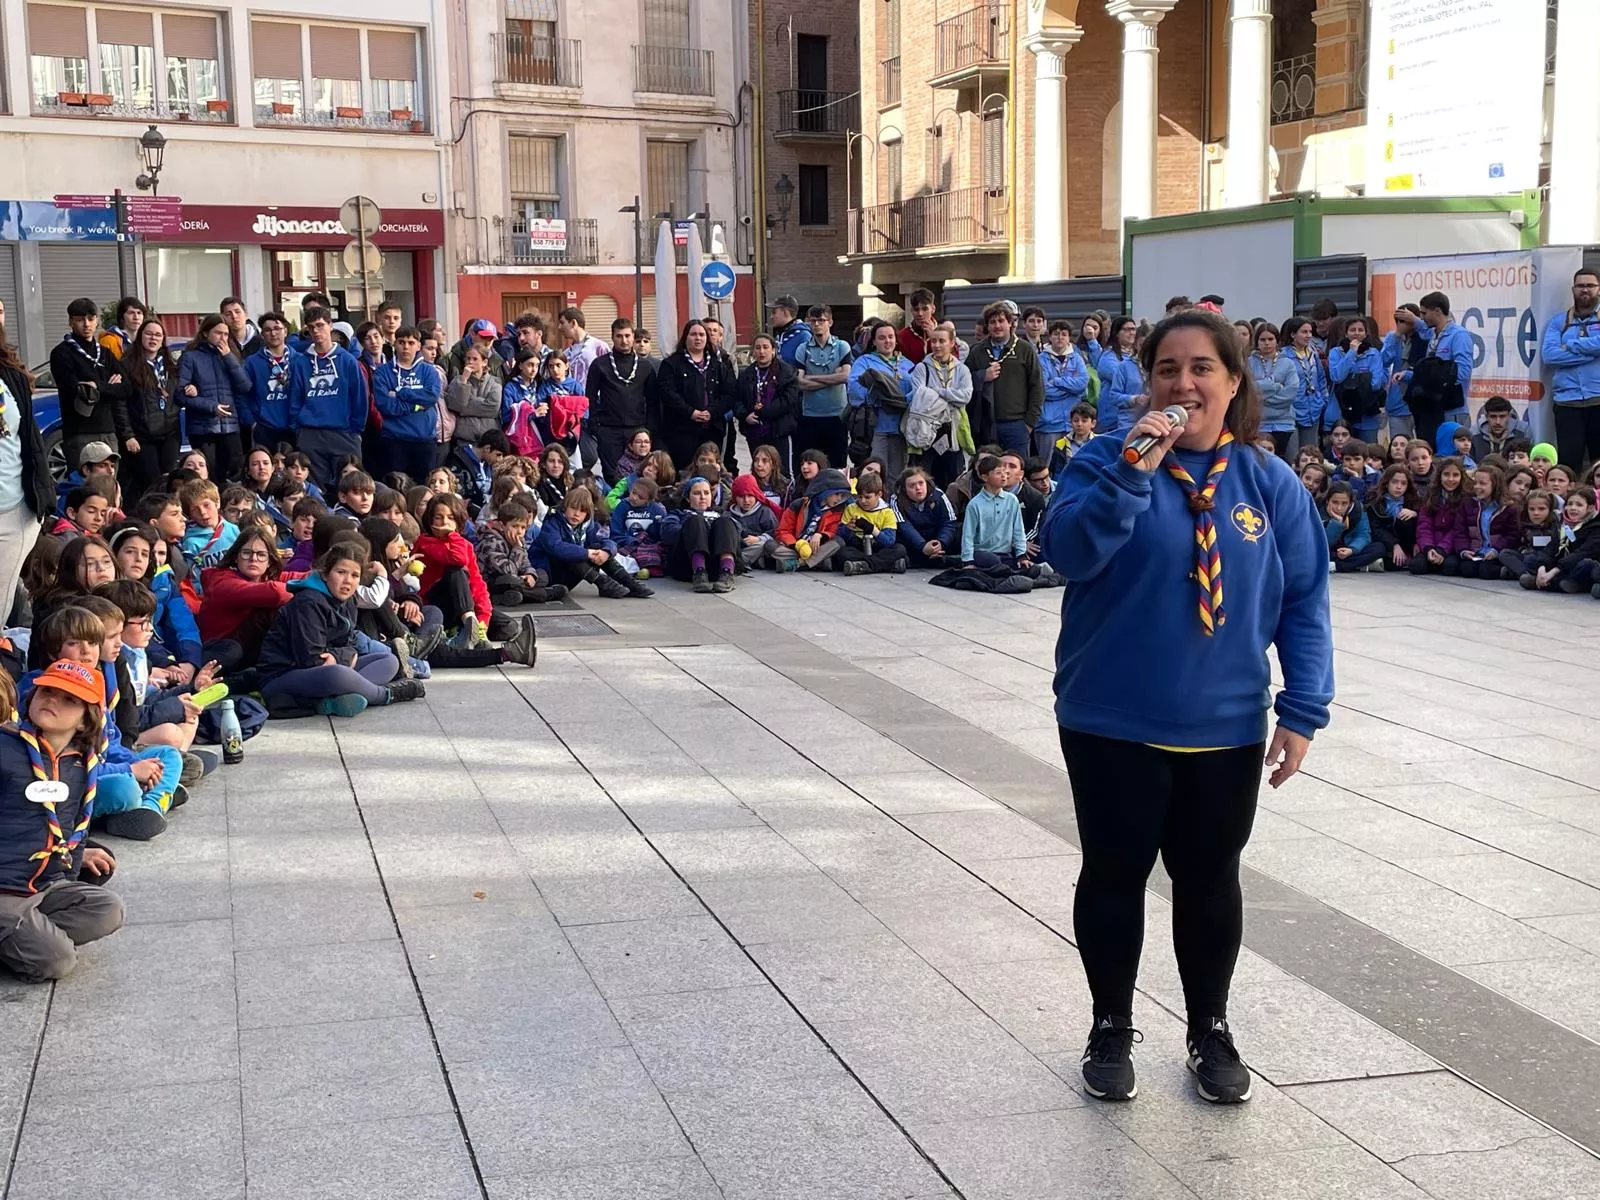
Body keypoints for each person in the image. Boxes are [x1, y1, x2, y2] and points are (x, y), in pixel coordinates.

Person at [1041, 308, 1332, 1107]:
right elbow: (1067, 552)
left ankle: (1210, 1028)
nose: (1184, 383)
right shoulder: (1103, 460)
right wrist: (1132, 476)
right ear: (1147, 382)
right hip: (1111, 718)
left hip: (1225, 725)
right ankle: (1110, 1023)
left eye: (1203, 368)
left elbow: (1304, 601)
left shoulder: (1268, 483)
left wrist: (1304, 709)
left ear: (1233, 384)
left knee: (1209, 880)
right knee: (1115, 871)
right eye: (1168, 368)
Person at [0, 657, 124, 983]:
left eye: (69, 699)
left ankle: (21, 935)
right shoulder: (5, 746)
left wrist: (73, 862)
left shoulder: (82, 765)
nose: (52, 700)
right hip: (4, 889)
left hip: (44, 886)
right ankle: (23, 936)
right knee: (58, 960)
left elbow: (75, 826)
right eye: (47, 692)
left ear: (85, 720)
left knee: (108, 909)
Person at [256, 543, 425, 717]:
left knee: (389, 660)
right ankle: (385, 695)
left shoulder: (348, 599)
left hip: (329, 666)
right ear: (325, 573)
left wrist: (339, 657)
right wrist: (344, 659)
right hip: (283, 676)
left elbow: (350, 642)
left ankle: (331, 702)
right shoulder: (308, 602)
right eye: (341, 572)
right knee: (337, 675)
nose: (348, 581)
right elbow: (311, 659)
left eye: (355, 575)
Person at [290, 308, 367, 491]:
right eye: (311, 327)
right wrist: (298, 429)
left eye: (320, 325)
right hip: (311, 434)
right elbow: (295, 398)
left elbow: (359, 397)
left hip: (343, 433)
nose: (316, 331)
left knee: (351, 486)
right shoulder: (301, 362)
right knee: (317, 489)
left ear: (330, 326)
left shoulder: (347, 360)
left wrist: (355, 429)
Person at [533, 486, 653, 597]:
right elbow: (556, 547)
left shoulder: (587, 526)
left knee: (597, 548)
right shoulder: (552, 522)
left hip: (569, 578)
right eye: (573, 508)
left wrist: (606, 552)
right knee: (573, 552)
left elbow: (604, 541)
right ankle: (603, 583)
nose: (576, 514)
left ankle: (629, 583)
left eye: (582, 511)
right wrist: (587, 553)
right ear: (565, 508)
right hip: (548, 575)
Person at [179, 315, 252, 482]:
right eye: (218, 333)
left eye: (226, 334)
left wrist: (228, 358)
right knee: (208, 474)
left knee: (234, 472)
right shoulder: (191, 356)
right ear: (205, 333)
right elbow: (180, 394)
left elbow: (245, 386)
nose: (223, 338)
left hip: (230, 425)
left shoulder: (231, 355)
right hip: (203, 427)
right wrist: (211, 407)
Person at [1542, 268, 1600, 472]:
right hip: (1568, 403)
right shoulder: (1559, 321)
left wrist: (1572, 345)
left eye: (1590, 286)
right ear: (1573, 289)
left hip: (1598, 400)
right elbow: (1549, 355)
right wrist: (1592, 352)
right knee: (1569, 465)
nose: (1585, 290)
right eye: (1581, 285)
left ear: (1598, 289)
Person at [52, 298, 120, 472]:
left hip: (108, 429)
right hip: (79, 431)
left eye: (91, 319)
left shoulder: (105, 353)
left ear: (97, 321)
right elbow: (74, 389)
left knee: (109, 485)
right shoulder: (62, 352)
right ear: (71, 322)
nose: (86, 324)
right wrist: (107, 386)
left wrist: (97, 386)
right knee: (85, 488)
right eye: (80, 319)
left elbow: (125, 388)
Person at [967, 301, 1043, 457]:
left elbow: (1037, 387)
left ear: (1010, 323)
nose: (997, 326)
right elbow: (964, 383)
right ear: (987, 326)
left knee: (1016, 472)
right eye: (992, 322)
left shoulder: (1024, 349)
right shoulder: (977, 351)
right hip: (985, 426)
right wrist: (982, 376)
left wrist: (1029, 423)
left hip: (1016, 425)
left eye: (1001, 321)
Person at [658, 319, 734, 473]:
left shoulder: (718, 366)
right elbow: (668, 393)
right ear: (685, 337)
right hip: (682, 430)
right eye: (693, 334)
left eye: (701, 334)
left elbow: (729, 394)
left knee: (711, 472)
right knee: (685, 472)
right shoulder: (671, 364)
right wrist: (690, 412)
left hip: (712, 429)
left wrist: (712, 412)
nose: (698, 338)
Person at [586, 318, 657, 483]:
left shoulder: (645, 367)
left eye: (627, 336)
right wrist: (596, 425)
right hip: (609, 430)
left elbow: (652, 399)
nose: (624, 341)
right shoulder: (599, 365)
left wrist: (649, 428)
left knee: (640, 474)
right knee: (612, 476)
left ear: (633, 336)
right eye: (619, 336)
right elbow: (590, 396)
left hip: (637, 429)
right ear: (612, 337)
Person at [848, 322, 915, 484]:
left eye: (891, 337)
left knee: (898, 475)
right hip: (877, 428)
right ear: (874, 342)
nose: (887, 341)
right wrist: (879, 397)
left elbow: (918, 389)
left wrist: (904, 400)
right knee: (875, 473)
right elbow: (854, 388)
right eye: (882, 338)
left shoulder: (908, 364)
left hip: (901, 429)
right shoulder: (864, 362)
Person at [373, 326, 443, 483]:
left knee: (425, 490)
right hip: (394, 440)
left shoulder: (429, 371)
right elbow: (385, 405)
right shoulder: (383, 372)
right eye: (401, 342)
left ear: (418, 346)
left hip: (424, 440)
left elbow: (431, 397)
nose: (406, 347)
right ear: (394, 344)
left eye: (411, 343)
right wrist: (415, 406)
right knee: (395, 490)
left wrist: (400, 393)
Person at [907, 325, 973, 489]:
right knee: (925, 480)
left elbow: (965, 397)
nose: (936, 345)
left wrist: (937, 392)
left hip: (953, 431)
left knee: (953, 480)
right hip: (927, 430)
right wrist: (951, 396)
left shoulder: (962, 370)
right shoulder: (922, 368)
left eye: (941, 341)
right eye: (933, 341)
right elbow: (919, 398)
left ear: (951, 343)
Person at [475, 497, 567, 607]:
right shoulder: (491, 541)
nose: (519, 531)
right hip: (492, 582)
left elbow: (525, 562)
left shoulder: (518, 540)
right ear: (501, 525)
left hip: (515, 578)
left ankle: (511, 596)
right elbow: (507, 571)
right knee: (511, 581)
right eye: (514, 526)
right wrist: (517, 548)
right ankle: (546, 594)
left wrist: (529, 574)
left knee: (541, 575)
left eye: (523, 528)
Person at [1409, 291, 1473, 444]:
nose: (1422, 318)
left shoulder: (1459, 335)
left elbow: (1463, 372)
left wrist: (1438, 382)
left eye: (1424, 313)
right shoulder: (1433, 335)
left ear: (1437, 311)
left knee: (1453, 454)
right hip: (1432, 406)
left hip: (1452, 407)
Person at [794, 305, 853, 468]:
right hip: (810, 415)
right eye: (813, 321)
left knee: (838, 464)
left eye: (821, 320)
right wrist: (832, 377)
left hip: (837, 414)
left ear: (830, 322)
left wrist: (812, 377)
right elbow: (800, 383)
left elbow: (845, 376)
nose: (817, 324)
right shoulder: (803, 349)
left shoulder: (842, 346)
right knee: (811, 463)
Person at [658, 477, 741, 592]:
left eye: (706, 493)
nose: (702, 497)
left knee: (725, 522)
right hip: (688, 566)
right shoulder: (678, 514)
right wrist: (696, 529)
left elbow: (737, 532)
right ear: (688, 498)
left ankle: (726, 572)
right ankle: (699, 571)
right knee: (695, 521)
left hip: (715, 564)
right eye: (697, 493)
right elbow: (668, 533)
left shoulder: (720, 514)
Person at [734, 334, 800, 477]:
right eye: (757, 348)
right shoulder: (746, 374)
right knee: (760, 471)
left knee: (782, 473)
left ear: (774, 350)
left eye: (765, 347)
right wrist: (745, 415)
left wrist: (763, 412)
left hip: (779, 430)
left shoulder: (786, 372)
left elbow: (788, 400)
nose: (762, 352)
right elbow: (737, 399)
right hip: (754, 430)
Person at [771, 467, 851, 571]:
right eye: (836, 494)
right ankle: (819, 562)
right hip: (796, 546)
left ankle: (798, 563)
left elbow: (833, 531)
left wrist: (820, 535)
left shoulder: (837, 510)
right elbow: (783, 530)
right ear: (825, 491)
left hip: (817, 547)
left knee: (838, 542)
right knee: (770, 546)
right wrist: (796, 545)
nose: (839, 499)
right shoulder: (799, 504)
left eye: (841, 495)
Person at [959, 454, 1028, 569]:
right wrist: (968, 561)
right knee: (994, 563)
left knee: (1029, 569)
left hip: (1005, 554)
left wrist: (1022, 555)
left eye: (1005, 473)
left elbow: (1018, 530)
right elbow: (968, 535)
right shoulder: (975, 504)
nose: (1004, 476)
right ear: (985, 477)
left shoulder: (1012, 500)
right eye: (998, 473)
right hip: (982, 553)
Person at [1328, 315, 1387, 444]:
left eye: (1360, 330)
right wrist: (1352, 353)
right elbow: (1337, 377)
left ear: (1366, 333)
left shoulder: (1373, 353)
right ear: (1345, 333)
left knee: (1368, 450)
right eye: (1352, 330)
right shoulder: (1335, 353)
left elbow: (1376, 383)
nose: (1357, 333)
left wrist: (1353, 381)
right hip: (1343, 410)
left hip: (1367, 412)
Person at [834, 472, 907, 576]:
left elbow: (889, 541)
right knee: (842, 553)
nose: (863, 501)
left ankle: (863, 566)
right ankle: (887, 565)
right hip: (859, 546)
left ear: (879, 495)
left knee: (900, 549)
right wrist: (847, 528)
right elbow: (840, 535)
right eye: (860, 497)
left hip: (878, 547)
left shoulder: (887, 512)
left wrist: (873, 530)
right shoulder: (851, 508)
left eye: (868, 497)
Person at [1037, 320, 1088, 464]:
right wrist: (1071, 391)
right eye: (1056, 334)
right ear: (1050, 337)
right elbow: (1044, 389)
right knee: (1045, 465)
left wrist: (1058, 381)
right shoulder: (1040, 359)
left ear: (1069, 338)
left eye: (1064, 334)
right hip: (1048, 423)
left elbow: (1082, 383)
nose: (1060, 337)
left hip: (1072, 422)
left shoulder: (1077, 358)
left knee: (1072, 464)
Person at [1247, 323, 1298, 461]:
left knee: (1285, 463)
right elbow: (1247, 390)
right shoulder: (1248, 363)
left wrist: (1262, 395)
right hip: (1258, 423)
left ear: (1277, 340)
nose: (1267, 343)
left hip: (1284, 423)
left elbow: (1291, 392)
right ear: (1256, 341)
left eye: (1271, 339)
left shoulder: (1288, 363)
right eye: (1262, 340)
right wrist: (1274, 386)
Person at [1410, 456, 1468, 576]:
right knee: (1416, 567)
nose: (1450, 479)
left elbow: (1457, 530)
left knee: (1449, 568)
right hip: (1432, 543)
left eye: (1455, 475)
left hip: (1451, 547)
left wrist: (1442, 550)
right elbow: (1424, 526)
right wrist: (1428, 548)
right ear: (1439, 476)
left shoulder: (1466, 499)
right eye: (1446, 474)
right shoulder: (1430, 496)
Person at [1283, 317, 1333, 453]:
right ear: (1293, 334)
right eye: (1304, 332)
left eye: (1310, 332)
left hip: (1313, 409)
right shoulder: (1284, 355)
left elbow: (1321, 378)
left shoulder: (1312, 353)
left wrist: (1322, 400)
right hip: (1292, 410)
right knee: (1293, 456)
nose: (1309, 335)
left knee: (1310, 453)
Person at [892, 465, 956, 567]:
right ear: (904, 489)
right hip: (914, 543)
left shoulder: (939, 495)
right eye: (912, 485)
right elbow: (904, 526)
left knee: (960, 532)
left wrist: (941, 543)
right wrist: (922, 546)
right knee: (898, 547)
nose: (918, 488)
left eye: (921, 483)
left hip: (936, 538)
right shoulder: (896, 500)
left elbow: (949, 522)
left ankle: (944, 558)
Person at [1095, 317, 1143, 434]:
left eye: (1133, 329)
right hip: (1111, 418)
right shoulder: (1108, 357)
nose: (1131, 333)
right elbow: (1126, 378)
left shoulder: (1135, 358)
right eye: (1127, 329)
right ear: (1116, 333)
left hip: (1133, 417)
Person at [1367, 464, 1419, 571]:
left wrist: (1415, 514)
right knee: (1391, 562)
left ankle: (1407, 555)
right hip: (1387, 544)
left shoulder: (1414, 501)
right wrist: (1394, 544)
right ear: (1387, 483)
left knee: (1405, 518)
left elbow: (1423, 525)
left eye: (1403, 483)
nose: (1399, 487)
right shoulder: (1376, 502)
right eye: (1395, 482)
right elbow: (1376, 530)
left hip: (1407, 543)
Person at [1502, 488, 1559, 584]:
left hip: (1548, 561)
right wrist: (1524, 551)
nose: (1536, 513)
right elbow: (1521, 544)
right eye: (1531, 509)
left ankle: (1518, 573)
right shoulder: (1525, 524)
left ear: (1549, 509)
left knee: (1530, 560)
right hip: (1529, 557)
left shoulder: (1557, 526)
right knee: (1505, 554)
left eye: (1541, 509)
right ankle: (1526, 574)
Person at [1323, 482, 1382, 572]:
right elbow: (1324, 542)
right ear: (1328, 500)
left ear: (1350, 503)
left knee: (1379, 547)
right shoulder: (1319, 509)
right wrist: (1337, 523)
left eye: (1344, 503)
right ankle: (1356, 565)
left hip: (1348, 549)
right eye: (1335, 502)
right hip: (1330, 550)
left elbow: (1363, 535)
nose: (1339, 508)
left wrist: (1352, 549)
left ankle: (1336, 566)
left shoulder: (1358, 510)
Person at [558, 307, 608, 391]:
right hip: (573, 400)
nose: (559, 327)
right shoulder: (566, 353)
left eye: (562, 323)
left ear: (573, 323)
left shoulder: (599, 347)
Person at [897, 288, 938, 364]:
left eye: (925, 309)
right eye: (916, 309)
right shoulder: (902, 337)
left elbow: (952, 362)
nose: (920, 314)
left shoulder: (945, 333)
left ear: (933, 309)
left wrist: (935, 338)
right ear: (911, 311)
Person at [768, 295, 810, 366]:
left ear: (786, 312)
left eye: (774, 312)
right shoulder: (781, 335)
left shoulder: (804, 336)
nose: (771, 316)